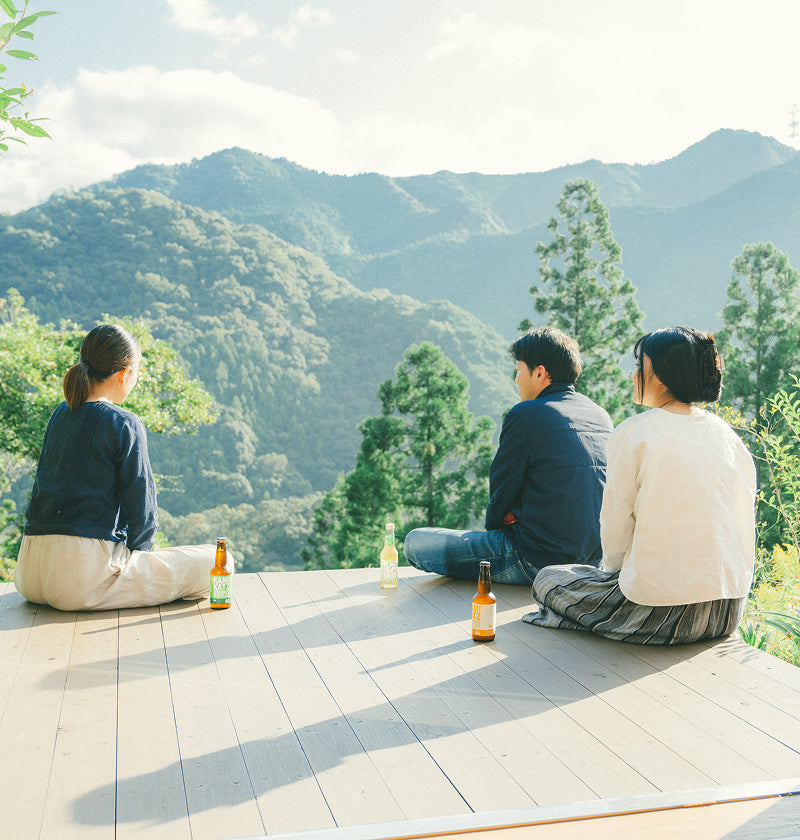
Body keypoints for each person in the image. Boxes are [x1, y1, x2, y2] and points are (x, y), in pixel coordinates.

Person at [525, 326, 756, 645]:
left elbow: (615, 532)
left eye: (639, 367)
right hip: (727, 612)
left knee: (549, 579)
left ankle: (611, 621)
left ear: (660, 375)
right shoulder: (729, 436)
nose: (633, 376)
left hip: (657, 612)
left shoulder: (636, 432)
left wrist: (612, 577)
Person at [14, 324, 232, 611]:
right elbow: (142, 511)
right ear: (124, 373)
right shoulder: (123, 422)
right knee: (219, 562)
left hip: (29, 574)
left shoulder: (61, 413)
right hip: (80, 580)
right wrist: (136, 558)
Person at [403, 326, 613, 584]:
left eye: (519, 369)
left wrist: (498, 530)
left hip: (535, 561)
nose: (516, 379)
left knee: (415, 541)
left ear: (540, 372)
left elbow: (502, 491)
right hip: (590, 563)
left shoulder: (525, 414)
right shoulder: (600, 415)